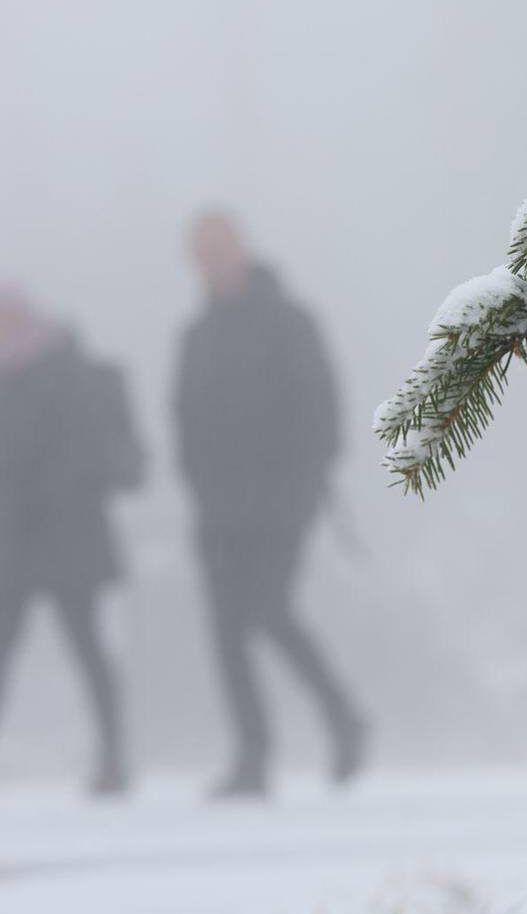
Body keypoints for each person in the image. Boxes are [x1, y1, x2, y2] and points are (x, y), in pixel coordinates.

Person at [173, 211, 364, 797]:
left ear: (240, 250)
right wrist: (199, 487)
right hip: (219, 508)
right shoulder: (197, 335)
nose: (212, 259)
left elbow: (322, 406)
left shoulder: (287, 320)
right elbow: (183, 419)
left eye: (219, 247)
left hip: (281, 503)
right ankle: (253, 755)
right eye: (201, 251)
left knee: (266, 610)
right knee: (227, 632)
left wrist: (304, 482)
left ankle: (341, 716)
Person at [0, 285, 145, 794]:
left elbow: (75, 452)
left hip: (67, 535)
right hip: (19, 538)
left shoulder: (69, 370)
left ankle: (113, 755)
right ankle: (113, 755)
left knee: (86, 649)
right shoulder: (10, 376)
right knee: (9, 649)